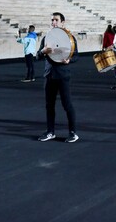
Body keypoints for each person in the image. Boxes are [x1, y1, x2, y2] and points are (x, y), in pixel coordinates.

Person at [36, 12, 79, 143]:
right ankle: (50, 131)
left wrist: (69, 60)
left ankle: (73, 133)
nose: (53, 22)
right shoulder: (47, 38)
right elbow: (37, 56)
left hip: (63, 75)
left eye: (56, 20)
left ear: (62, 22)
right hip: (49, 75)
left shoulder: (70, 37)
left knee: (67, 105)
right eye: (52, 20)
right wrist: (43, 51)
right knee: (49, 105)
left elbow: (76, 56)